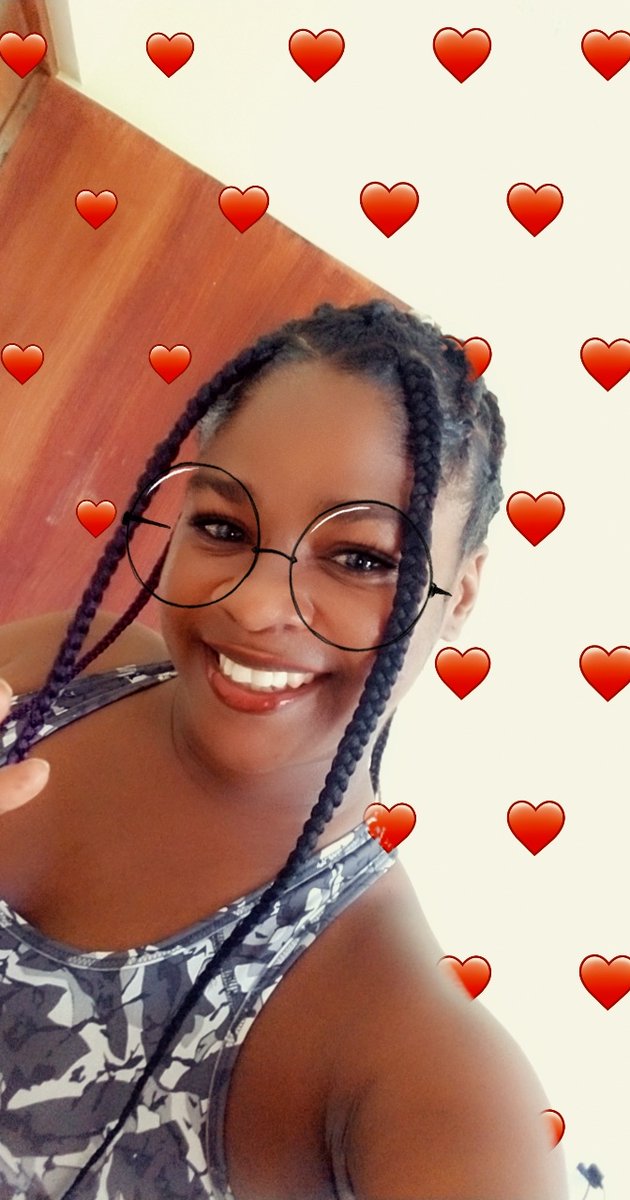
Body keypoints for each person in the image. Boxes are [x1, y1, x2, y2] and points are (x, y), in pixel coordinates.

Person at [0, 299, 568, 1199]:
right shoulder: (44, 675)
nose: (257, 604)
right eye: (224, 528)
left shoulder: (414, 1058)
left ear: (460, 594)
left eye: (362, 559)